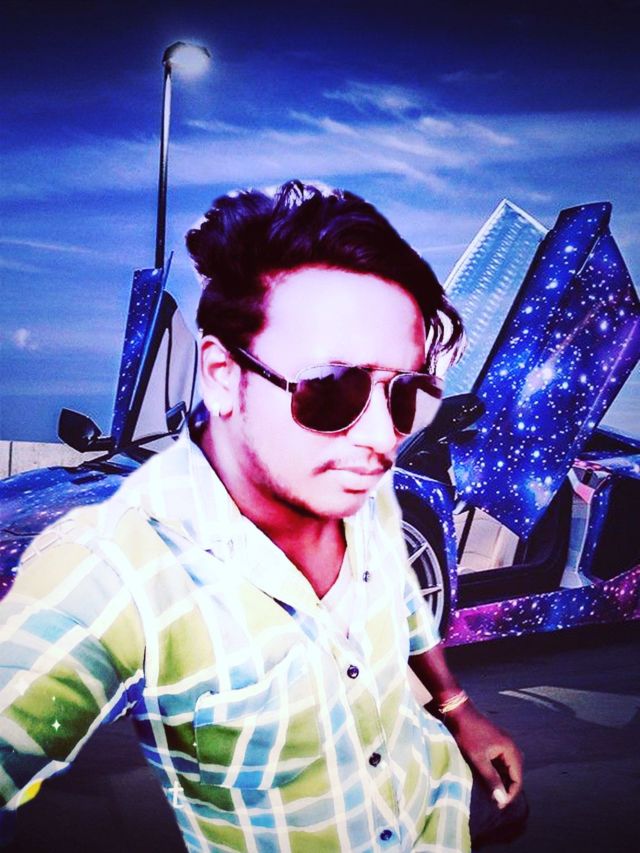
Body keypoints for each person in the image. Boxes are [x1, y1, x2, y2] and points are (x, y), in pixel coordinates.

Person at [0, 180, 524, 851]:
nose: (380, 438)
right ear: (223, 374)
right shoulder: (121, 564)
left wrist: (458, 709)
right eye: (332, 389)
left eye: (405, 396)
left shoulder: (363, 498)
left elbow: (403, 607)